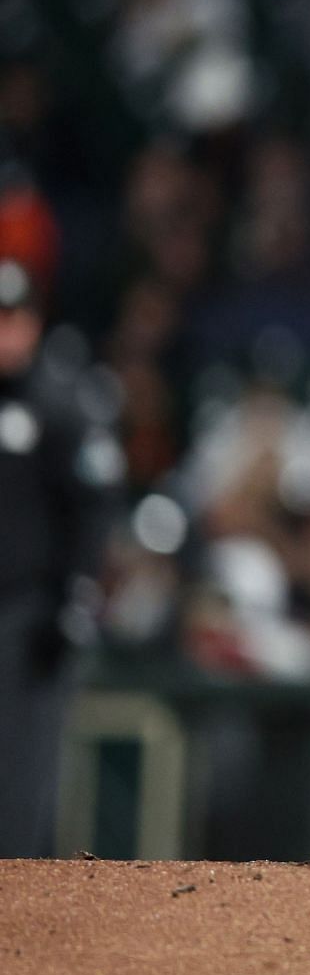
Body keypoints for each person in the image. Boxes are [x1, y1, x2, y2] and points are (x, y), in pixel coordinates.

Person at [0, 255, 120, 856]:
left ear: (34, 323)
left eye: (12, 318)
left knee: (21, 777)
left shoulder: (59, 402)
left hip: (28, 618)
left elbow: (94, 507)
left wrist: (73, 601)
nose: (4, 333)